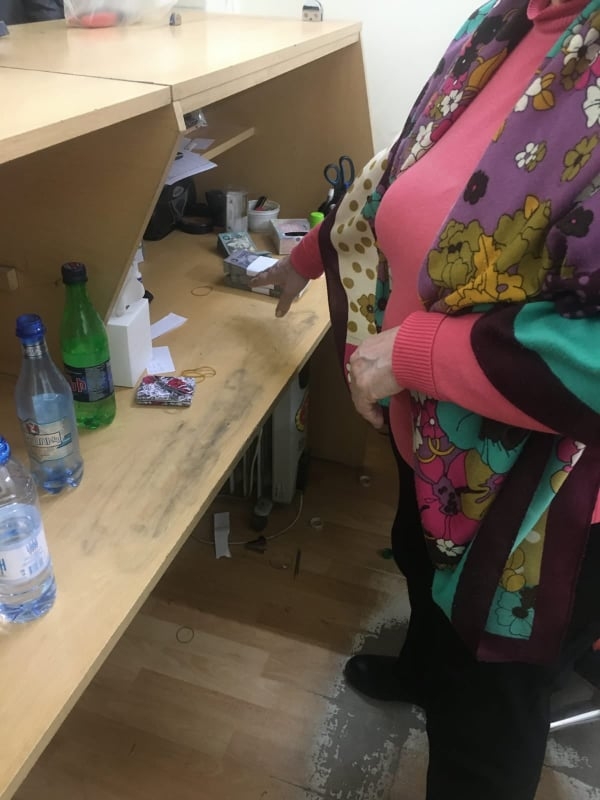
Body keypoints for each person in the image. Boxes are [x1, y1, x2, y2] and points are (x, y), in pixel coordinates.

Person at [252, 0, 600, 797]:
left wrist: (416, 354)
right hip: (441, 448)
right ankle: (423, 669)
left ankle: (449, 690)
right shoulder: (507, 21)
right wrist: (305, 258)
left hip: (544, 505)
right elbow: (409, 178)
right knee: (418, 559)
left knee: (485, 723)